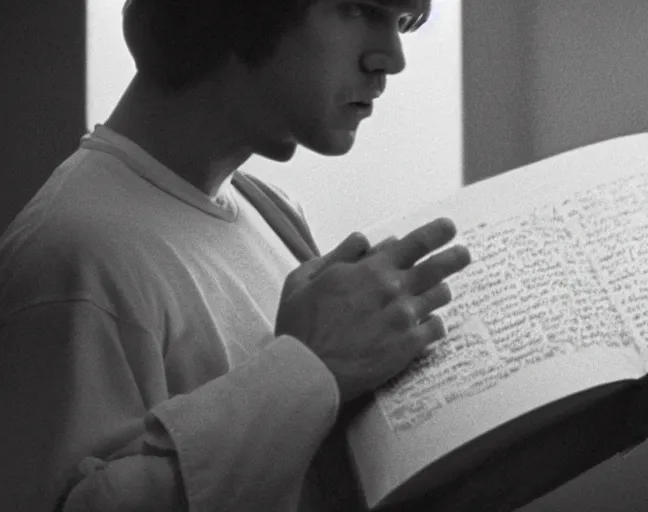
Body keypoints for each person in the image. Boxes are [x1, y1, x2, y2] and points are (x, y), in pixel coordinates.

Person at [0, 0, 471, 510]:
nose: (393, 58)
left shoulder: (269, 211)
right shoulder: (72, 258)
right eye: (359, 9)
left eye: (402, 23)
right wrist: (311, 369)